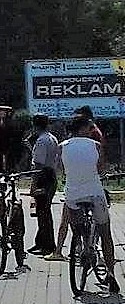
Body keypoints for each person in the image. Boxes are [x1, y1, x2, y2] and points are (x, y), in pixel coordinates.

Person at [60, 115, 119, 293]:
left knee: (77, 225)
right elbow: (100, 168)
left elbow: (60, 169)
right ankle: (110, 273)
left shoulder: (62, 146)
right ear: (84, 129)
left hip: (72, 194)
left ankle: (84, 244)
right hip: (94, 193)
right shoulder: (95, 146)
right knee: (105, 232)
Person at [26, 114, 62, 256]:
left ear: (35, 126)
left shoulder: (41, 140)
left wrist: (33, 184)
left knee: (42, 212)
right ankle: (41, 241)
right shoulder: (52, 138)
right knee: (43, 211)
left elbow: (39, 164)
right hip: (51, 174)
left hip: (43, 176)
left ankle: (47, 244)